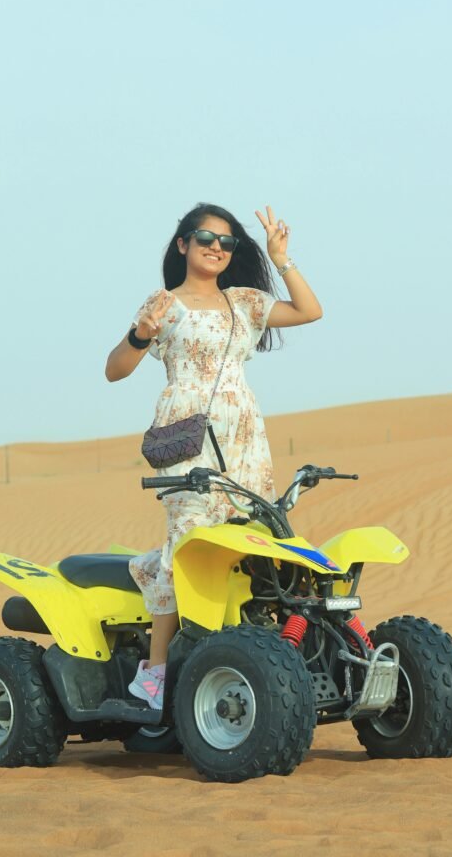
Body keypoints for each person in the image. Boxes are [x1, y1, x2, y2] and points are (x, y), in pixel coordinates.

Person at [105, 203, 322, 709]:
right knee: (188, 547)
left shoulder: (245, 301)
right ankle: (154, 674)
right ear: (182, 244)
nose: (216, 247)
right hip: (185, 439)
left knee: (249, 544)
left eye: (227, 242)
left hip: (244, 438)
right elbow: (115, 369)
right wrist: (141, 332)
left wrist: (281, 258)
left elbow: (310, 311)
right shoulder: (163, 305)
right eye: (205, 236)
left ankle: (251, 655)